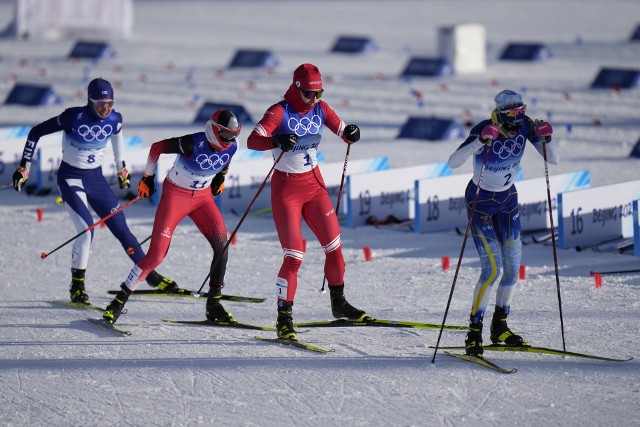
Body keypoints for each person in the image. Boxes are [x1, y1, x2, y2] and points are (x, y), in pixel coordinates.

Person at [12, 78, 177, 305]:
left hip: (96, 179)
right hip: (71, 178)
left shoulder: (114, 118)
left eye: (109, 103)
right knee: (86, 230)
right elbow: (35, 132)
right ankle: (77, 286)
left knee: (122, 229)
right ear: (89, 100)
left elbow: (118, 138)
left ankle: (149, 275)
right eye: (100, 104)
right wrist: (24, 167)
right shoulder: (73, 117)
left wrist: (122, 168)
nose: (105, 108)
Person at [246, 63, 367, 340]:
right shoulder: (279, 111)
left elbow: (342, 129)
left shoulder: (320, 109)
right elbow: (253, 141)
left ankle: (339, 303)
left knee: (334, 247)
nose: (314, 99)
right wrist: (276, 139)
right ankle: (284, 318)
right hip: (286, 188)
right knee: (294, 257)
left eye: (319, 93)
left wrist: (351, 133)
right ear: (296, 89)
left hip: (314, 186)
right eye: (309, 94)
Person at [103, 109, 241, 324]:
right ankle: (119, 301)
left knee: (222, 246)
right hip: (176, 196)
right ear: (214, 130)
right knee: (156, 255)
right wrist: (148, 177)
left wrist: (221, 176)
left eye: (234, 135)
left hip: (203, 199)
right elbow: (156, 148)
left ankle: (214, 304)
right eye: (226, 135)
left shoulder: (233, 145)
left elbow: (227, 158)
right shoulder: (190, 143)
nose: (230, 140)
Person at [447, 89, 557, 356]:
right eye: (512, 114)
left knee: (511, 271)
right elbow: (453, 162)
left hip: (508, 202)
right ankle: (474, 333)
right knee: (491, 270)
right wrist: (480, 142)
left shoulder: (526, 126)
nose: (517, 120)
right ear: (501, 115)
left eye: (521, 112)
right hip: (480, 202)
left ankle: (500, 327)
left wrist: (547, 139)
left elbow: (552, 159)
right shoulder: (484, 128)